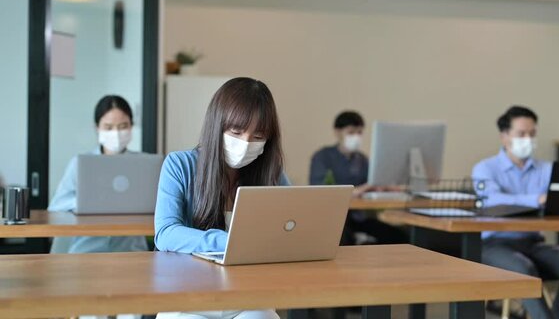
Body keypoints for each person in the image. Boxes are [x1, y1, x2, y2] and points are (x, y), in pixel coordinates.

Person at [154, 77, 286, 319]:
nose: (245, 144)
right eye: (236, 132)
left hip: (249, 296)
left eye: (257, 137)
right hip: (188, 295)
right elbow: (166, 233)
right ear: (217, 126)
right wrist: (231, 243)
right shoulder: (179, 164)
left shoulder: (272, 174)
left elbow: (289, 231)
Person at [472, 106, 559, 319]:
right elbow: (492, 200)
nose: (528, 139)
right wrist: (538, 199)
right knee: (524, 270)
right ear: (504, 136)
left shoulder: (547, 169)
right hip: (493, 245)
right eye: (521, 134)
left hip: (533, 243)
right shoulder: (485, 168)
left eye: (532, 134)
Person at [48, 95, 148, 254]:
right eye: (108, 127)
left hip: (131, 250)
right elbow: (56, 205)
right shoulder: (80, 163)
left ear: (131, 126)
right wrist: (89, 202)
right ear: (97, 128)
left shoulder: (145, 164)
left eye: (123, 126)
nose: (116, 133)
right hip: (86, 249)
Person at [309, 111, 407, 245]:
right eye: (351, 132)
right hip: (333, 220)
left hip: (359, 218)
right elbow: (321, 191)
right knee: (343, 238)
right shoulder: (322, 157)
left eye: (359, 132)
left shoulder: (362, 160)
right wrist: (362, 188)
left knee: (397, 236)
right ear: (338, 132)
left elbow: (374, 184)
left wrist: (385, 186)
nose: (356, 136)